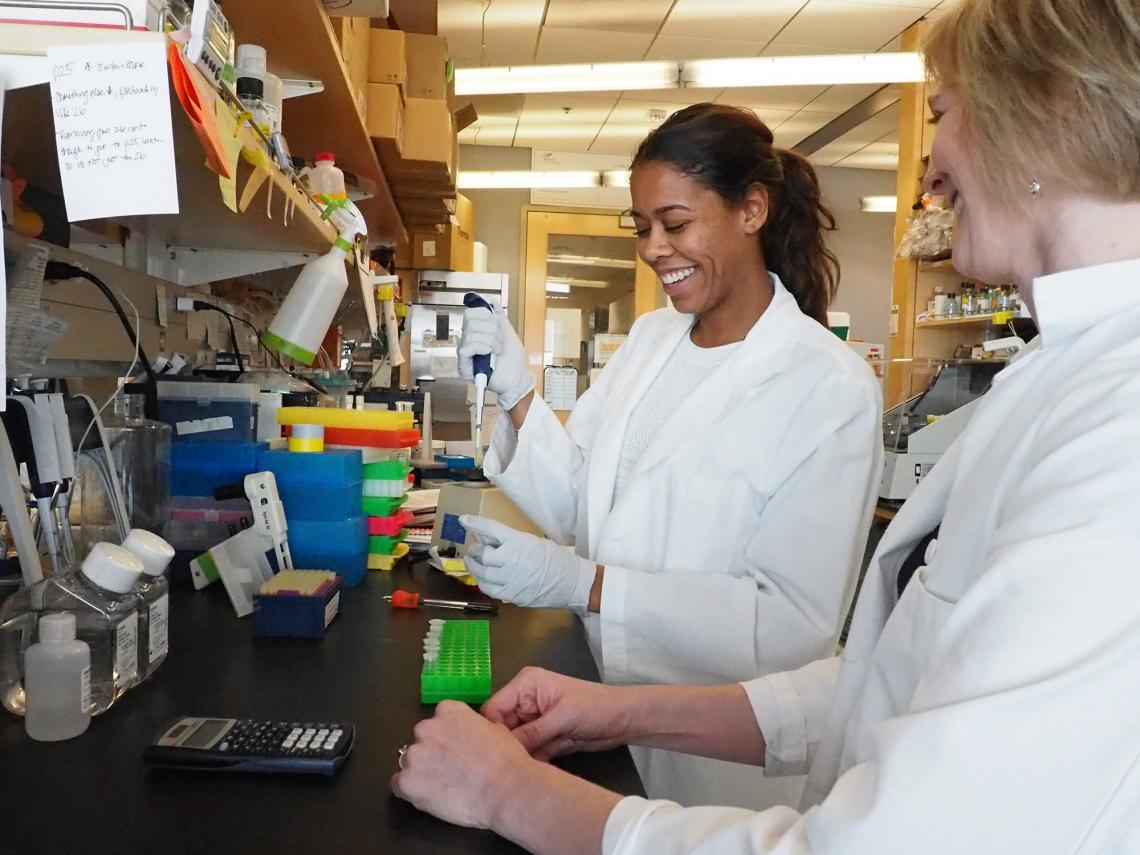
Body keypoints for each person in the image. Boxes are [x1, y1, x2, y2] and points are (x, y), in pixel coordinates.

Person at [392, 0, 1140, 850]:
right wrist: (615, 707)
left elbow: (886, 820)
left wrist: (513, 791)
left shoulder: (1109, 422)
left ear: (1041, 111)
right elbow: (878, 681)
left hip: (733, 804)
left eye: (941, 113)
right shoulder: (1058, 376)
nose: (930, 169)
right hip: (658, 736)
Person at [453, 103, 883, 809]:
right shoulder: (652, 341)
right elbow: (580, 503)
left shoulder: (828, 386)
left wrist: (585, 585)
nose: (654, 248)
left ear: (751, 209)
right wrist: (518, 393)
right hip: (600, 709)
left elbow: (785, 624)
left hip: (719, 769)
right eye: (643, 226)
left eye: (676, 224)